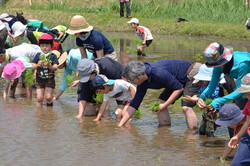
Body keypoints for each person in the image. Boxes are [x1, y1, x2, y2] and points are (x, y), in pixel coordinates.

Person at [118, 60, 201, 127]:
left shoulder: (158, 72)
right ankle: (164, 131)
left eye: (132, 80)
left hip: (191, 73)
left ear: (139, 75)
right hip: (176, 81)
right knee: (159, 104)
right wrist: (120, 125)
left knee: (186, 107)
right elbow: (135, 103)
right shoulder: (142, 82)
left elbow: (179, 88)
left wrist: (164, 106)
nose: (132, 83)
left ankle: (192, 137)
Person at [197, 42, 250, 111]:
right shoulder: (218, 66)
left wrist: (219, 101)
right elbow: (212, 86)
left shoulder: (242, 64)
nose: (216, 67)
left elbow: (241, 90)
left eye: (217, 64)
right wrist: (202, 97)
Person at [183, 64, 227, 137]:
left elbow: (212, 98)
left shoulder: (215, 87)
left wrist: (194, 99)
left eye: (204, 80)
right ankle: (203, 138)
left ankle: (210, 144)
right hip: (206, 111)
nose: (202, 81)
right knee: (202, 130)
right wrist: (196, 96)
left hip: (213, 111)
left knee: (209, 130)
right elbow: (201, 94)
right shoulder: (204, 86)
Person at [228, 73, 250, 166]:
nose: (248, 97)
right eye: (246, 94)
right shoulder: (249, 104)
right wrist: (237, 136)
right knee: (237, 163)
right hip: (248, 137)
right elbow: (248, 121)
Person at [31, 34, 59, 107]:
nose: (44, 48)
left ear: (51, 46)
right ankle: (39, 115)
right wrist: (37, 65)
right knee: (39, 98)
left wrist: (49, 66)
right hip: (39, 80)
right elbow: (32, 66)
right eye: (42, 46)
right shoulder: (38, 55)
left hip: (49, 80)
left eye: (46, 46)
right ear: (40, 46)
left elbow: (55, 68)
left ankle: (49, 112)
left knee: (48, 97)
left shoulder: (53, 56)